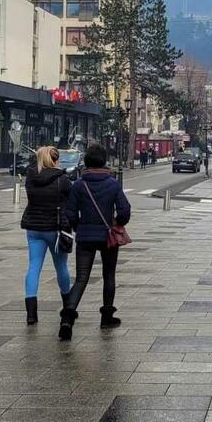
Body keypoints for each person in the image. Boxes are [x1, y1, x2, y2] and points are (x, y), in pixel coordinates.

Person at [59, 143, 131, 341]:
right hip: (108, 236)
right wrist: (117, 223)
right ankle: (107, 317)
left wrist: (78, 227)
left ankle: (67, 319)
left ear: (87, 161)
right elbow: (124, 210)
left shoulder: (79, 185)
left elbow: (70, 213)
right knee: (109, 275)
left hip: (85, 236)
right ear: (104, 161)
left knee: (81, 278)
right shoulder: (112, 184)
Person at [19, 146, 73, 325]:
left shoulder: (31, 177)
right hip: (55, 229)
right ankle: (68, 305)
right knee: (61, 267)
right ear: (55, 160)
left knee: (34, 266)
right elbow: (70, 200)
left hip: (34, 228)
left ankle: (31, 314)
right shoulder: (62, 179)